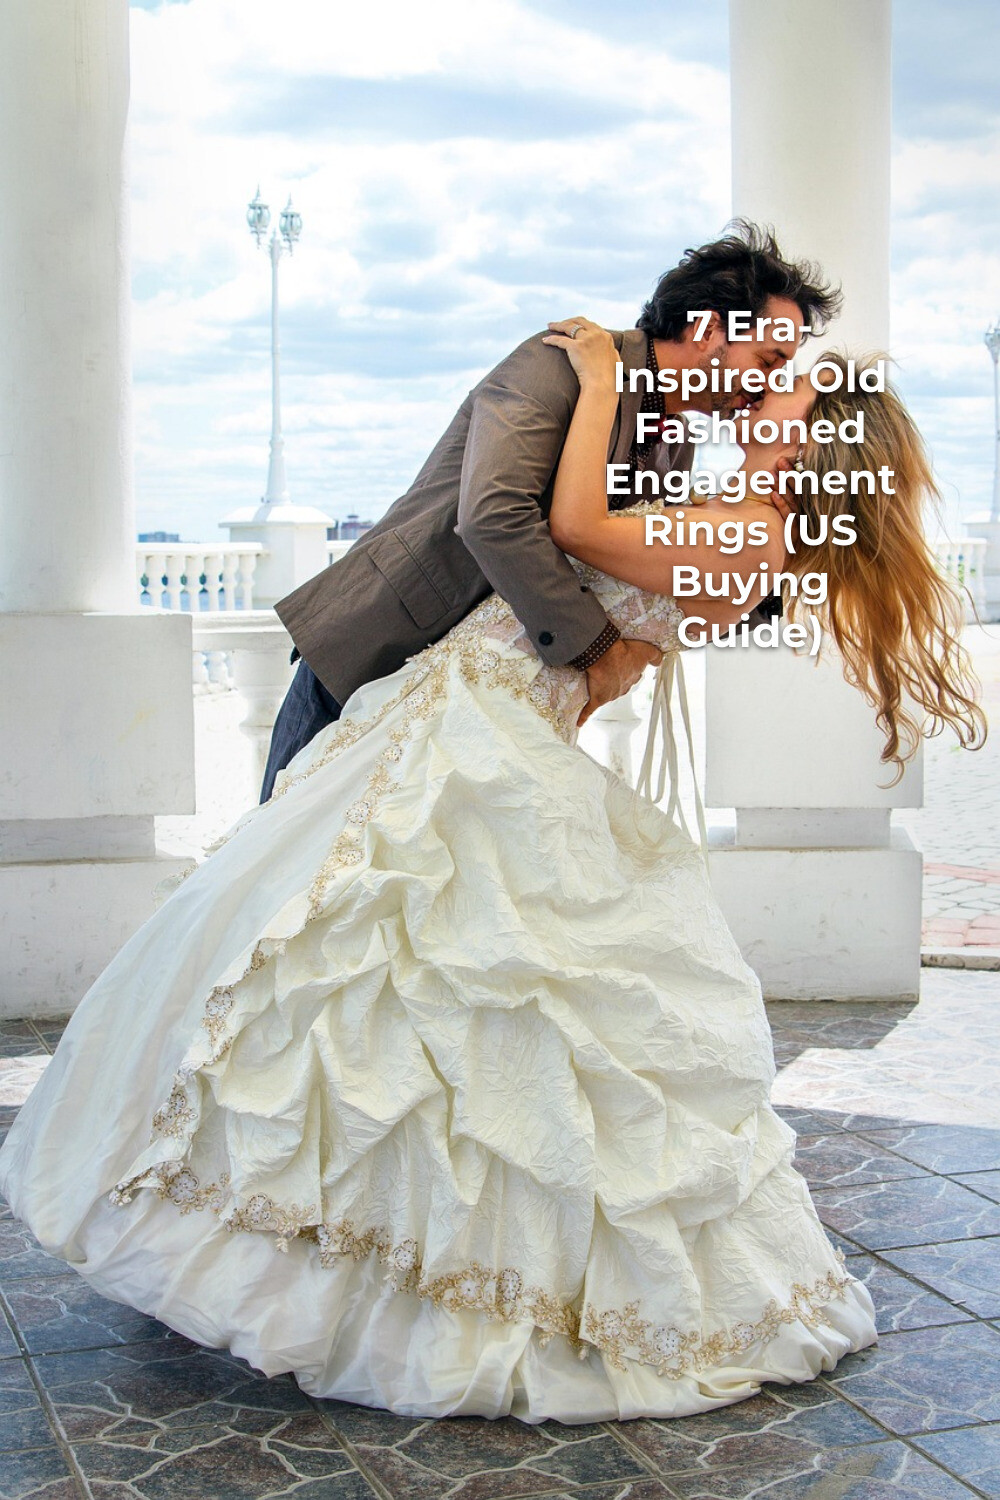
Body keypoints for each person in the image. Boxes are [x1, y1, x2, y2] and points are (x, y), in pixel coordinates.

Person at [0, 307, 984, 1423]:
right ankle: (329, 1239)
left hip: (478, 728)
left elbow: (559, 520)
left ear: (812, 454)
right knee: (368, 983)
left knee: (430, 998)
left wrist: (605, 376)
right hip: (457, 720)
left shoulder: (741, 536)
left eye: (784, 402)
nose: (763, 402)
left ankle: (412, 1276)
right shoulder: (730, 522)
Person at [258, 220, 841, 801]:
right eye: (768, 359)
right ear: (711, 329)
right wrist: (600, 651)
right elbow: (495, 515)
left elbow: (634, 566)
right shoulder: (560, 364)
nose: (769, 386)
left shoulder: (677, 438)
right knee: (284, 856)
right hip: (382, 643)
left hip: (477, 704)